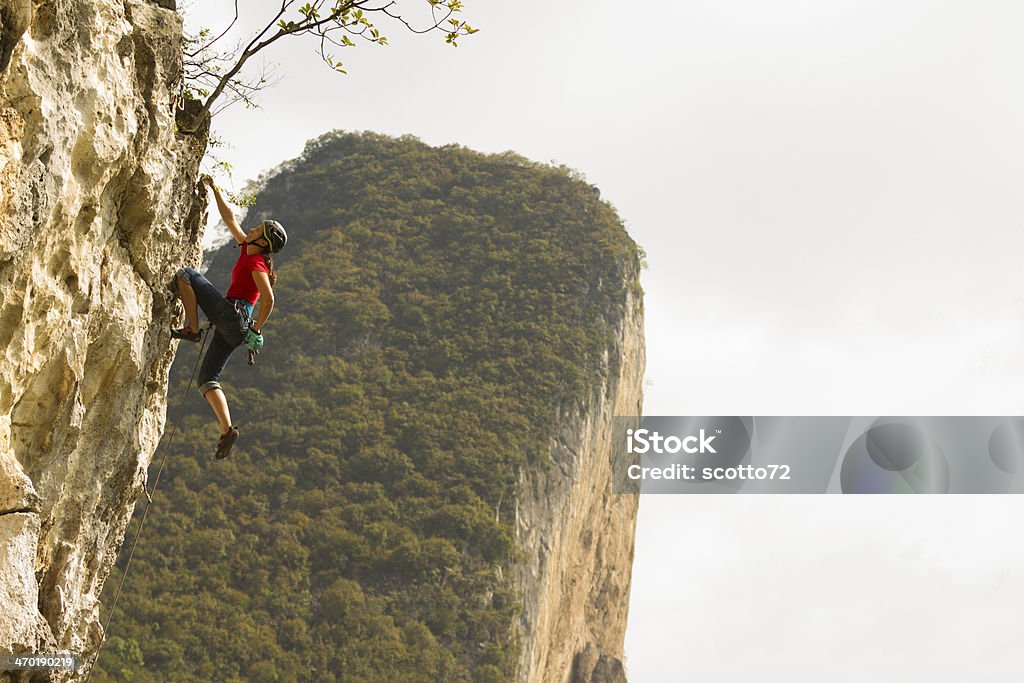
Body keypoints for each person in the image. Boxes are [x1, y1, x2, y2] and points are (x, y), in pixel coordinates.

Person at [170, 175, 287, 458]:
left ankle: (193, 328)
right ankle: (226, 428)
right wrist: (214, 189)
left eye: (259, 227)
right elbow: (230, 219)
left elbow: (269, 298)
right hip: (235, 328)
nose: (253, 226)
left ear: (263, 240)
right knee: (207, 378)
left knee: (186, 275)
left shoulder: (256, 262)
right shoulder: (249, 248)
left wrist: (257, 329)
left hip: (232, 316)